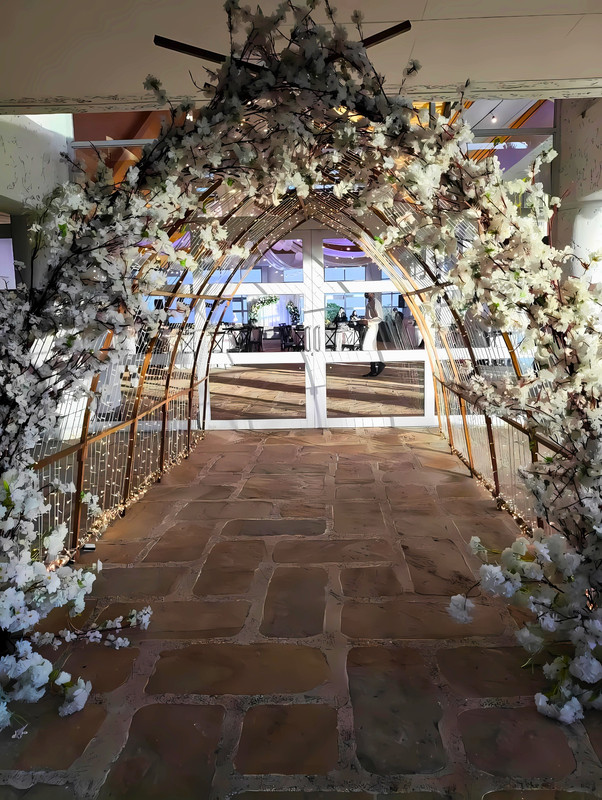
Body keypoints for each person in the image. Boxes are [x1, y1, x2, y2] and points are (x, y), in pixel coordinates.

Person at [360, 292, 384, 376]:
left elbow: (379, 317)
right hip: (369, 326)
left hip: (373, 326)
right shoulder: (369, 303)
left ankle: (379, 363)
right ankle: (373, 368)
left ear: (373, 294)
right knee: (370, 347)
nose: (366, 294)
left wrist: (368, 322)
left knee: (368, 346)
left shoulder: (375, 302)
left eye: (368, 292)